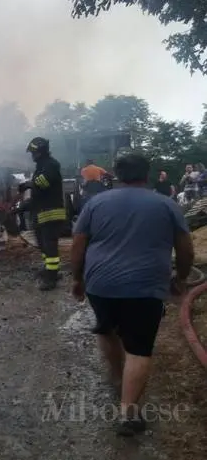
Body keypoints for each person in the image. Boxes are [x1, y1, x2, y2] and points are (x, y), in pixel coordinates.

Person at [71, 153, 194, 437]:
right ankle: (128, 412)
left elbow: (78, 245)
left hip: (100, 284)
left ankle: (117, 376)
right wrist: (181, 279)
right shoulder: (166, 204)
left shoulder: (95, 203)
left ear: (115, 174)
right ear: (147, 174)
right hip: (146, 286)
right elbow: (186, 249)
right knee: (139, 347)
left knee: (107, 330)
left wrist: (77, 278)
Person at [19, 137, 66, 291]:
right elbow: (38, 195)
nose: (32, 156)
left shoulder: (50, 164)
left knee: (50, 245)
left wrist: (27, 184)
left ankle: (52, 277)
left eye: (33, 152)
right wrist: (22, 207)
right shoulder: (41, 165)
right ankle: (49, 269)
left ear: (39, 151)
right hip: (41, 212)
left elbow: (43, 183)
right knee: (42, 243)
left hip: (51, 212)